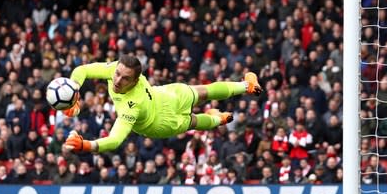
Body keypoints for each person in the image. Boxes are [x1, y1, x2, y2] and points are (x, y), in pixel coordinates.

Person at [63, 55, 262, 153]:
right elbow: (82, 70)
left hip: (161, 103)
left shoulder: (133, 103)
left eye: (124, 79)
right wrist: (74, 90)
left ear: (135, 81)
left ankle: (247, 86)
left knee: (203, 91)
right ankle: (216, 118)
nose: (117, 81)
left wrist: (85, 145)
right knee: (193, 119)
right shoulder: (117, 73)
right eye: (117, 74)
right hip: (160, 119)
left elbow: (114, 140)